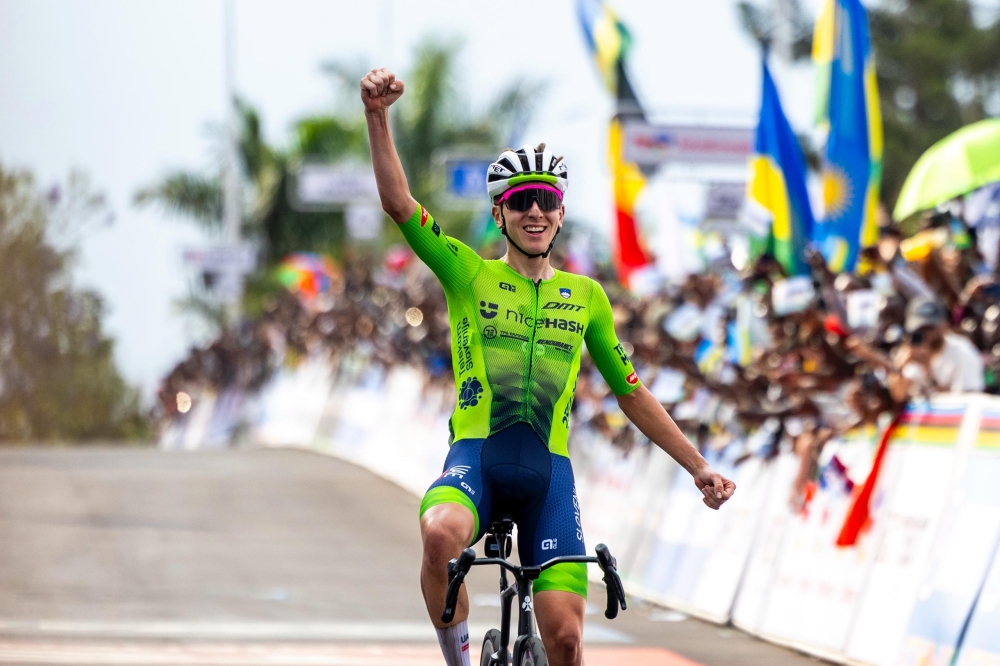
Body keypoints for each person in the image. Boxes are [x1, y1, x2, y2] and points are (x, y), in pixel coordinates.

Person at [361, 67, 736, 666]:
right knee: (438, 536)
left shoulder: (587, 296)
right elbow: (398, 203)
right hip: (476, 459)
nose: (535, 212)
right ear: (501, 214)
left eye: (547, 201)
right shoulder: (468, 272)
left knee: (565, 642)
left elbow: (632, 393)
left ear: (560, 215)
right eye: (521, 202)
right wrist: (377, 116)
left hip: (548, 477)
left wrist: (697, 467)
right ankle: (457, 658)